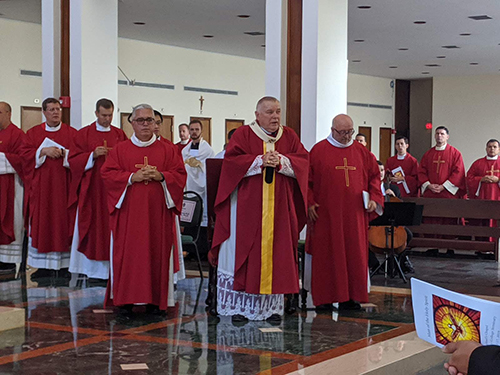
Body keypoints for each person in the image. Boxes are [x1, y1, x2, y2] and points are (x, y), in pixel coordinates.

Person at [209, 96, 309, 322]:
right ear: (257, 115)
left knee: (278, 255)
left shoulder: (289, 136)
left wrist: (282, 161)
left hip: (279, 210)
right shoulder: (244, 134)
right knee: (245, 252)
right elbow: (231, 164)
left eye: (278, 112)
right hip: (246, 207)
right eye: (270, 112)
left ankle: (271, 308)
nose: (275, 117)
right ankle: (239, 308)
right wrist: (259, 161)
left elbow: (303, 162)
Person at [101, 104, 186, 312]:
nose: (145, 124)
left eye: (150, 120)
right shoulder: (120, 149)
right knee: (129, 256)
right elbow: (107, 174)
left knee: (157, 253)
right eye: (140, 120)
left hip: (158, 215)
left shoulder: (169, 150)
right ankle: (126, 300)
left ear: (156, 123)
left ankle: (156, 300)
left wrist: (162, 176)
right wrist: (131, 177)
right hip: (129, 215)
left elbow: (180, 175)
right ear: (131, 123)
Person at [306, 114, 383, 311]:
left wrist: (375, 198)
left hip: (354, 215)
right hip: (326, 215)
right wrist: (310, 202)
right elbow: (307, 181)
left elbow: (374, 177)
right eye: (343, 133)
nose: (347, 136)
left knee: (353, 253)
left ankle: (351, 297)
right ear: (333, 130)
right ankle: (324, 298)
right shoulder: (318, 151)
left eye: (350, 132)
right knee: (327, 254)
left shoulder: (362, 152)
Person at [68, 99, 128, 281]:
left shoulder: (119, 134)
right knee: (93, 226)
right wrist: (91, 155)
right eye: (103, 115)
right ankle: (91, 270)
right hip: (93, 190)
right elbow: (73, 160)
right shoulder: (84, 134)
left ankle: (113, 269)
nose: (107, 119)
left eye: (110, 115)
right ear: (96, 113)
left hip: (113, 191)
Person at [22, 98, 77, 278]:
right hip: (42, 190)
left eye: (58, 109)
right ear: (44, 112)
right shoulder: (33, 133)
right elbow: (24, 156)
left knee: (62, 223)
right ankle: (43, 266)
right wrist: (42, 151)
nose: (55, 112)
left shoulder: (71, 133)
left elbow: (79, 157)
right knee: (43, 222)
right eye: (52, 109)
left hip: (63, 188)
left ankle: (64, 266)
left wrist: (64, 153)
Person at [418, 126, 466, 234]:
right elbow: (421, 171)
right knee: (431, 219)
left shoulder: (455, 153)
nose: (439, 136)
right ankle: (432, 245)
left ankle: (449, 246)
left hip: (447, 193)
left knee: (448, 219)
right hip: (431, 193)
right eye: (437, 134)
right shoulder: (428, 154)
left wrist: (443, 186)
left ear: (447, 137)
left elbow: (458, 172)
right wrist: (429, 185)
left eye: (442, 134)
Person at [369, 161, 414, 274]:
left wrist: (393, 198)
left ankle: (392, 264)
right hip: (374, 222)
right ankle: (374, 265)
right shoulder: (368, 188)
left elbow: (400, 210)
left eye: (382, 170)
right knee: (364, 236)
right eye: (378, 170)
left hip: (391, 222)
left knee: (408, 235)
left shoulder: (394, 189)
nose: (381, 173)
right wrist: (382, 197)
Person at [182, 120, 215, 256]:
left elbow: (209, 168)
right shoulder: (185, 150)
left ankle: (201, 252)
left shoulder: (207, 150)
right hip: (190, 187)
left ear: (201, 131)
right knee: (189, 220)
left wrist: (199, 165)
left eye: (196, 129)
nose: (194, 132)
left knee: (201, 219)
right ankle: (189, 251)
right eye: (192, 129)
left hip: (202, 190)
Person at [0, 102, 25, 274]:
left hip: (11, 188)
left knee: (12, 220)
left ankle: (7, 261)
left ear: (9, 113)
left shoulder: (18, 135)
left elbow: (22, 160)